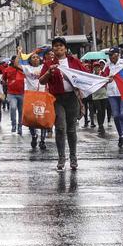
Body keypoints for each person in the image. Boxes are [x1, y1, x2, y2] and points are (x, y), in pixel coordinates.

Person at [39, 37, 88, 168]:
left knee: (71, 129)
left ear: (65, 48)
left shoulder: (73, 61)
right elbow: (41, 81)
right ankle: (61, 157)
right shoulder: (49, 63)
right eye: (55, 46)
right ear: (53, 49)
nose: (58, 48)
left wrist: (104, 79)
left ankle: (73, 157)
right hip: (56, 99)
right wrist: (49, 72)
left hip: (71, 97)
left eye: (61, 46)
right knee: (60, 128)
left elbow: (86, 75)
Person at [0, 55, 27, 136]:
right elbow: (3, 80)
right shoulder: (7, 70)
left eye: (17, 60)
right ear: (12, 61)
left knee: (21, 111)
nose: (16, 62)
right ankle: (14, 125)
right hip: (11, 93)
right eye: (15, 60)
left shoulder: (23, 69)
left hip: (22, 93)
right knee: (13, 108)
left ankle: (20, 127)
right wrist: (4, 83)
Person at [103, 49, 123, 148]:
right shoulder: (107, 65)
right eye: (109, 55)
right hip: (112, 93)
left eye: (112, 55)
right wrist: (107, 79)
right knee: (115, 115)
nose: (110, 57)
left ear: (117, 54)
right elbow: (103, 78)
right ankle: (120, 136)